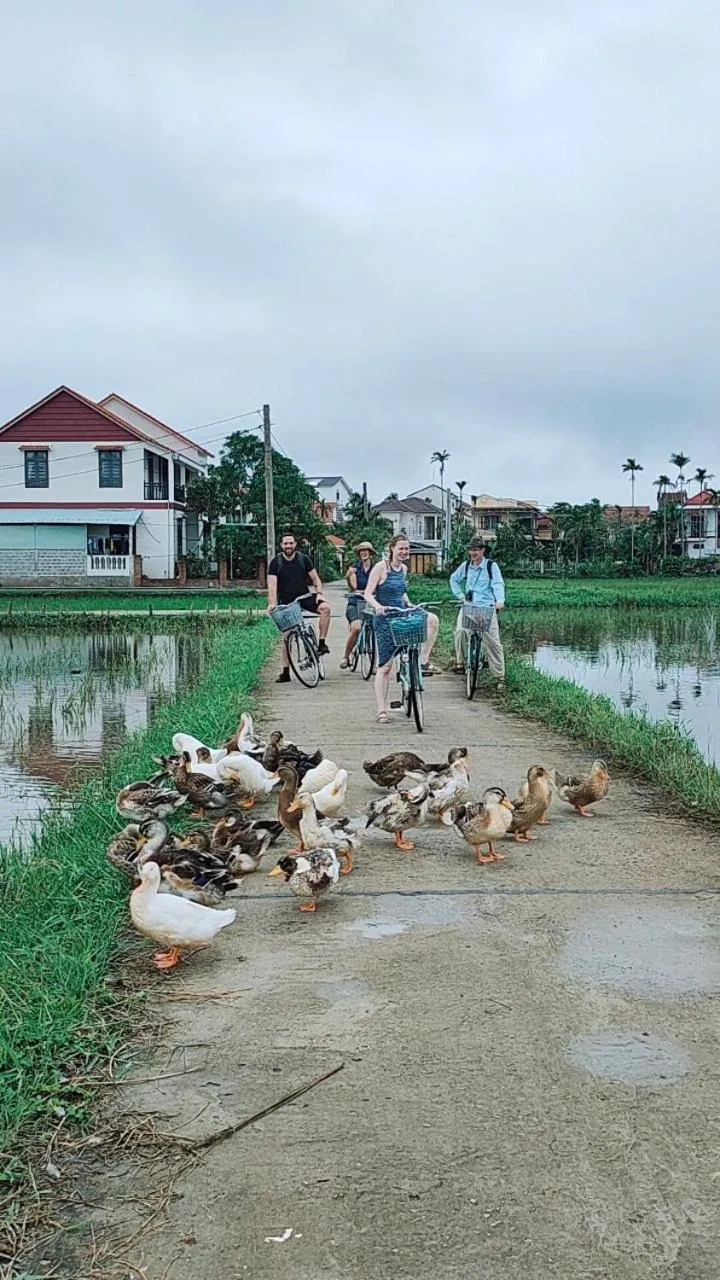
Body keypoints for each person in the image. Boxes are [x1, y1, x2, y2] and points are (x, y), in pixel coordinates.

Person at [364, 533, 440, 722]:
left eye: (407, 548)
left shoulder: (404, 569)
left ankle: (423, 660)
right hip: (385, 619)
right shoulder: (381, 567)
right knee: (385, 667)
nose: (404, 551)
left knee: (432, 620)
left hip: (402, 614)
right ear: (392, 549)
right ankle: (381, 710)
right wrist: (377, 606)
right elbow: (368, 593)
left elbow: (401, 592)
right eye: (401, 548)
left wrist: (409, 603)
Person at [267, 531, 331, 683]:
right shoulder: (276, 562)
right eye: (285, 543)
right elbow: (272, 585)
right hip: (287, 602)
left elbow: (316, 579)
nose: (288, 546)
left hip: (304, 598)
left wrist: (319, 593)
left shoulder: (303, 559)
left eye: (291, 543)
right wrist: (272, 603)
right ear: (281, 545)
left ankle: (322, 643)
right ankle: (285, 672)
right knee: (287, 635)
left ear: (295, 544)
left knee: (326, 608)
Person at [449, 536, 505, 685]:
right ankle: (460, 663)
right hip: (469, 606)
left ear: (482, 551)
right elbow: (454, 579)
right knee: (460, 632)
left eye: (476, 550)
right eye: (471, 550)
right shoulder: (466, 566)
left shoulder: (491, 566)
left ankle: (499, 677)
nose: (473, 553)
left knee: (493, 642)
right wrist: (460, 596)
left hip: (486, 607)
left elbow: (498, 584)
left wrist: (500, 601)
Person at [340, 541, 376, 669]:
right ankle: (346, 656)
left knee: (374, 630)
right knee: (356, 628)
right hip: (355, 602)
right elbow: (354, 588)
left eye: (366, 550)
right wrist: (348, 577)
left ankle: (374, 663)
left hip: (370, 603)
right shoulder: (354, 568)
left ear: (370, 553)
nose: (363, 553)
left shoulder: (376, 569)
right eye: (361, 551)